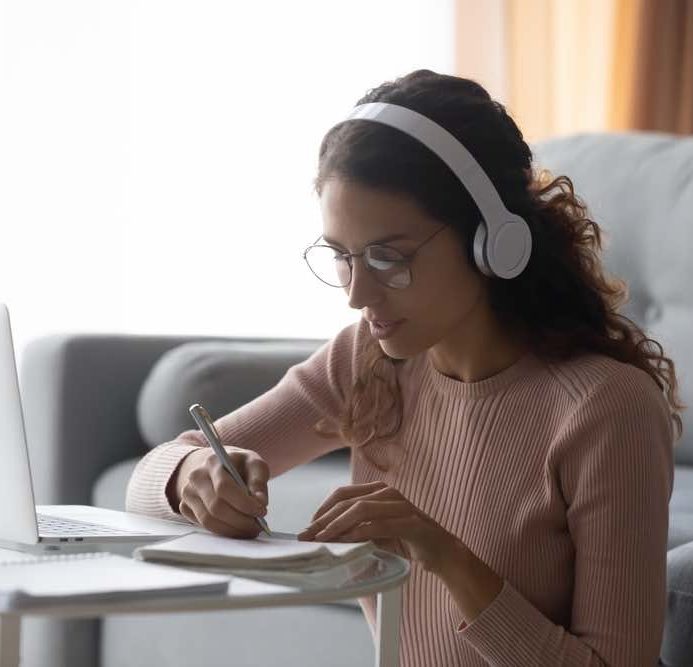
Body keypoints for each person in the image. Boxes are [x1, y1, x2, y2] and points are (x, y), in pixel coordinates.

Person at [126, 69, 685, 666]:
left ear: (492, 242)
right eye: (342, 257)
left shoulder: (605, 409)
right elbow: (144, 484)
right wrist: (193, 477)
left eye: (389, 258)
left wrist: (444, 554)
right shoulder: (364, 359)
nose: (357, 295)